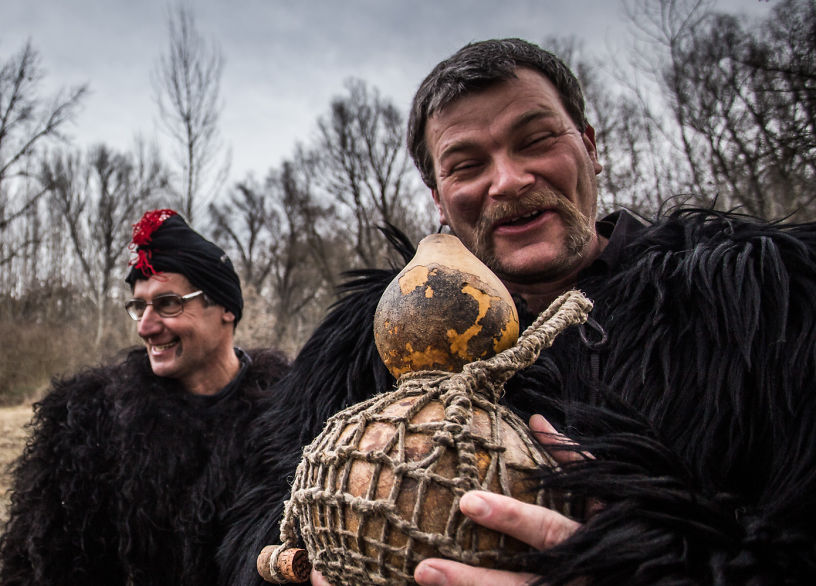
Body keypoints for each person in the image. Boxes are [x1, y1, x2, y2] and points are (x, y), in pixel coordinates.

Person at [219, 39, 816, 585]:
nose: (507, 180)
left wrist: (649, 568)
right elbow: (259, 520)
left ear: (589, 147)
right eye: (466, 165)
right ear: (439, 197)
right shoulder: (361, 347)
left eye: (536, 140)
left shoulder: (772, 305)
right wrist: (310, 569)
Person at [0, 209, 290, 585]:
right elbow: (41, 565)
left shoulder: (288, 417)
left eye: (168, 303)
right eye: (139, 306)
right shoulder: (90, 421)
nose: (146, 327)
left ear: (226, 309)